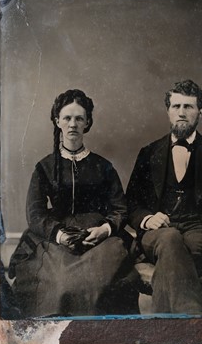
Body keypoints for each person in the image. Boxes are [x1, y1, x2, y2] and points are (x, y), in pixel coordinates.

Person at [9, 89, 139, 317]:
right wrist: (59, 234)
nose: (73, 124)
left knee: (97, 283)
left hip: (98, 237)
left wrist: (104, 229)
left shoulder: (103, 166)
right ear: (57, 120)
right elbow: (36, 213)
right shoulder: (44, 167)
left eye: (79, 118)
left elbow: (120, 208)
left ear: (87, 122)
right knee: (61, 283)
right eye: (67, 118)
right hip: (56, 238)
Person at [126, 79, 202, 315]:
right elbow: (130, 202)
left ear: (200, 112)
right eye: (176, 106)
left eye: (188, 107)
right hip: (156, 235)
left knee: (179, 248)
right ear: (168, 111)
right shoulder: (149, 153)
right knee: (169, 237)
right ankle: (192, 315)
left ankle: (163, 327)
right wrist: (148, 219)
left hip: (197, 233)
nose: (181, 113)